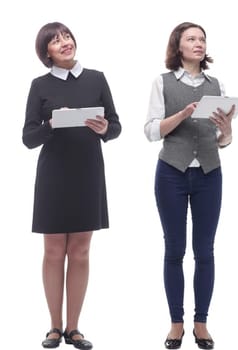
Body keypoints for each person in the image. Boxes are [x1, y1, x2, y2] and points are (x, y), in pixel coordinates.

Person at [23, 22, 122, 350]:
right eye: (55, 41)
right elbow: (27, 138)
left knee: (80, 252)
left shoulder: (96, 78)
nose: (64, 43)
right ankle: (53, 327)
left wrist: (106, 127)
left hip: (88, 172)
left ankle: (74, 329)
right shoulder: (40, 85)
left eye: (66, 36)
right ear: (46, 52)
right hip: (54, 174)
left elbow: (116, 125)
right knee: (53, 252)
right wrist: (51, 123)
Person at [144, 22, 234, 350]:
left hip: (210, 173)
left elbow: (223, 140)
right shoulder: (162, 82)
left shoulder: (216, 83)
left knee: (205, 251)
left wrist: (226, 130)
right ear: (178, 46)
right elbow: (152, 131)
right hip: (172, 173)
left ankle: (202, 323)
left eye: (202, 39)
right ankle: (175, 323)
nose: (198, 43)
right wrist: (181, 114)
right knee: (174, 250)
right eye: (191, 39)